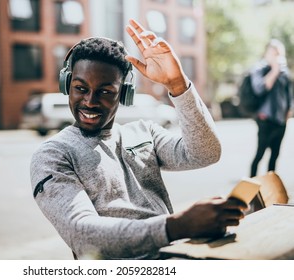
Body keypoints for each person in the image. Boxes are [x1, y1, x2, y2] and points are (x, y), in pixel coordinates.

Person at [30, 19, 246, 260]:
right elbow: (83, 235)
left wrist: (177, 84)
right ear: (67, 85)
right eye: (81, 88)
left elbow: (205, 153)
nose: (90, 101)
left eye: (105, 91)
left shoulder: (145, 132)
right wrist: (179, 226)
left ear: (124, 94)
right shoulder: (53, 154)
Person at [250, 39, 292, 177]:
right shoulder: (259, 70)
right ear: (266, 54)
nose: (275, 57)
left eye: (278, 54)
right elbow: (260, 89)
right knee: (259, 155)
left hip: (281, 121)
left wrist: (288, 113)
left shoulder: (284, 73)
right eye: (272, 54)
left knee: (274, 156)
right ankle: (251, 187)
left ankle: (271, 189)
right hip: (265, 120)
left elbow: (290, 95)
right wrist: (274, 70)